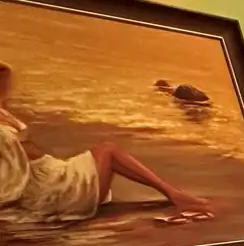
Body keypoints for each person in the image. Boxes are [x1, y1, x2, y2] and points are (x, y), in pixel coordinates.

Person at [0, 60, 211, 224]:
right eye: (2, 84)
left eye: (5, 83)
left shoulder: (3, 111)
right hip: (47, 187)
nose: (6, 88)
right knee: (108, 151)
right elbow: (9, 169)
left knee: (108, 150)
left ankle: (174, 194)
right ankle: (175, 194)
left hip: (52, 171)